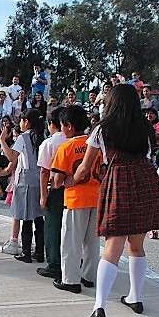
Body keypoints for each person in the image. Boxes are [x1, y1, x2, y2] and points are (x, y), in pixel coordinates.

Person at [74, 83, 159, 317]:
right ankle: (136, 297)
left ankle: (99, 306)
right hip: (144, 180)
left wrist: (70, 180)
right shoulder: (145, 127)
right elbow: (149, 157)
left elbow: (85, 167)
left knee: (112, 247)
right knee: (136, 245)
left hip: (118, 180)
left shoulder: (102, 129)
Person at [50, 105, 100, 293]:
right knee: (92, 243)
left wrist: (64, 181)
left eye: (62, 125)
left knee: (71, 242)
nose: (61, 129)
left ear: (69, 126)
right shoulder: (95, 145)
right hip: (96, 197)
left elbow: (57, 181)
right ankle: (89, 276)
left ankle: (71, 280)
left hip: (75, 199)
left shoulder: (66, 147)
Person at [0, 108, 45, 262]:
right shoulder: (42, 136)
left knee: (26, 217)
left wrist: (2, 140)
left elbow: (12, 157)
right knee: (39, 218)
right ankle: (39, 252)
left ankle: (26, 253)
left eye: (21, 120)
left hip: (25, 180)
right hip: (39, 179)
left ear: (26, 122)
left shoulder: (24, 137)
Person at [36, 107, 67, 279]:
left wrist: (43, 195)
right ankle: (73, 263)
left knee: (53, 228)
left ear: (51, 124)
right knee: (71, 229)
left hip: (55, 188)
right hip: (74, 188)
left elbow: (44, 171)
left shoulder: (49, 143)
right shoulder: (76, 140)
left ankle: (54, 264)